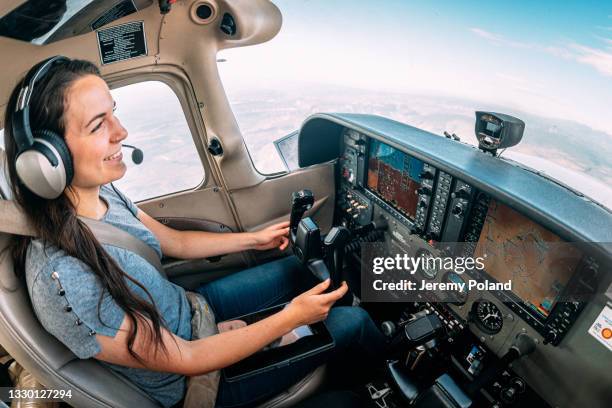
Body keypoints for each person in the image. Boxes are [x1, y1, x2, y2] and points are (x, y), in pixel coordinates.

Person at [2, 57, 386, 408]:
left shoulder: (101, 193)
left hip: (191, 310)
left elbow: (173, 241)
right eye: (98, 124)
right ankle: (378, 388)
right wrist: (289, 319)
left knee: (296, 269)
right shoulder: (63, 279)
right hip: (197, 383)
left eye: (113, 113)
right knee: (353, 324)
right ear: (48, 159)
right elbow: (186, 359)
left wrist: (254, 239)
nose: (121, 131)